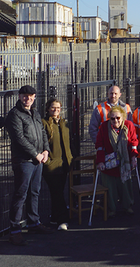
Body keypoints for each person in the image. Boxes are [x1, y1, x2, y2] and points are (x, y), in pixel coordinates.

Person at [6, 85, 53, 245]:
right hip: (24, 161)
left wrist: (46, 150)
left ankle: (34, 223)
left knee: (35, 192)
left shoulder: (35, 113)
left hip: (38, 160)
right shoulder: (14, 115)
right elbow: (19, 139)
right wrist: (36, 153)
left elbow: (43, 132)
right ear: (19, 97)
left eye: (31, 96)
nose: (28, 99)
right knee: (20, 195)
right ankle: (15, 231)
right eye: (25, 96)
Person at [95, 106, 138, 219]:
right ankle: (111, 208)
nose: (115, 121)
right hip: (110, 162)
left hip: (125, 161)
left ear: (123, 117)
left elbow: (133, 142)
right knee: (110, 186)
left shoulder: (129, 125)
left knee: (125, 185)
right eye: (112, 118)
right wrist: (100, 161)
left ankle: (127, 206)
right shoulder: (104, 127)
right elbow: (99, 145)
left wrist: (134, 157)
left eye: (118, 118)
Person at [42, 98, 74, 231]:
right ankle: (63, 219)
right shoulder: (44, 123)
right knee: (57, 193)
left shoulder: (63, 123)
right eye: (53, 108)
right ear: (48, 109)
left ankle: (54, 218)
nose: (56, 111)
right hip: (51, 165)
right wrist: (48, 160)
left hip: (64, 164)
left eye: (58, 108)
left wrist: (71, 158)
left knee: (58, 192)